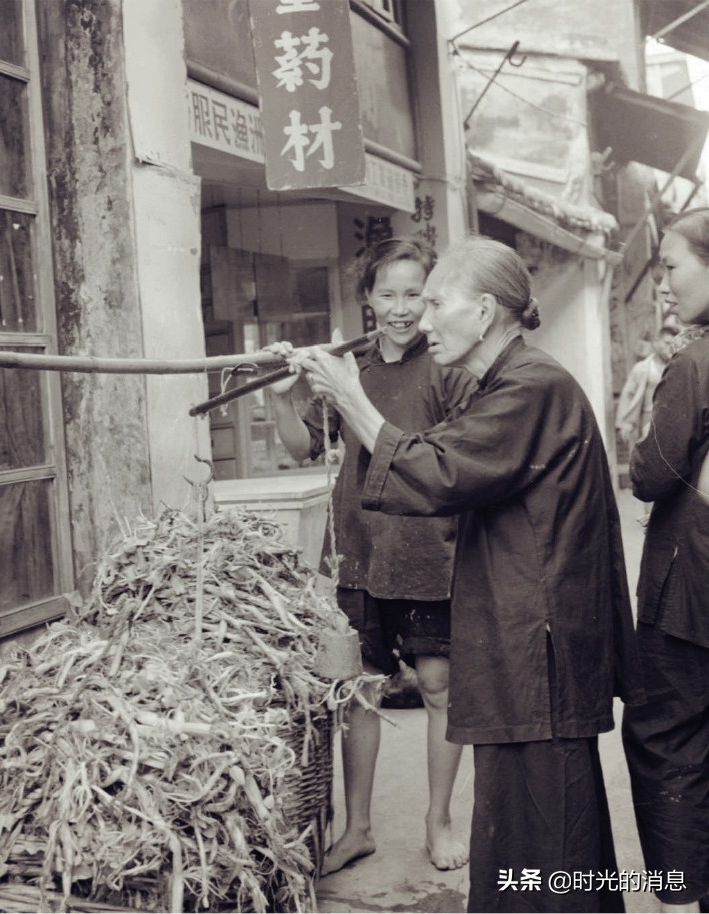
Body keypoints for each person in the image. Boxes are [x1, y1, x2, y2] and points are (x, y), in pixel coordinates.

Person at [296, 236, 643, 912]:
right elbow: (440, 451)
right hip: (522, 643)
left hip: (536, 651)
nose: (421, 320)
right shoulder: (504, 383)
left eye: (434, 302)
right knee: (531, 835)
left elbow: (440, 470)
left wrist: (351, 397)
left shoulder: (532, 387)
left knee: (549, 834)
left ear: (484, 312)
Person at [269, 238, 473, 874]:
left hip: (431, 549)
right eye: (388, 294)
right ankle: (357, 827)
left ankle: (437, 822)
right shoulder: (346, 364)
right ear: (367, 300)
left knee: (439, 687)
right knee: (360, 692)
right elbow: (302, 448)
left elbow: (451, 464)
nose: (402, 308)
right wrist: (280, 396)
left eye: (415, 293)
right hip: (359, 549)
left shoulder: (447, 365)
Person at [622, 207, 709, 913]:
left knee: (665, 735)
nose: (664, 286)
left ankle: (681, 895)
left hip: (690, 589)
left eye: (674, 267)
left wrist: (637, 449)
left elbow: (650, 474)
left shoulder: (691, 363)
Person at [614, 325, 675, 451]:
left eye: (673, 344)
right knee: (646, 453)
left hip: (671, 419)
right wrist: (625, 423)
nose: (670, 348)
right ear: (656, 342)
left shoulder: (677, 367)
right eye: (667, 343)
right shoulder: (642, 368)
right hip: (647, 418)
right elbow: (628, 394)